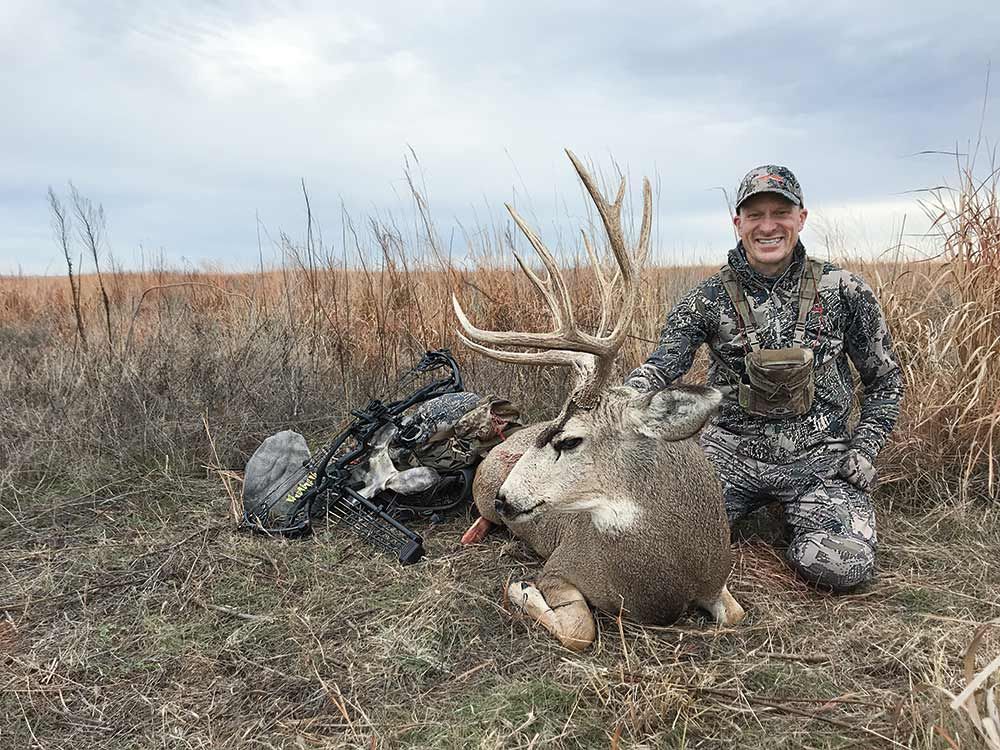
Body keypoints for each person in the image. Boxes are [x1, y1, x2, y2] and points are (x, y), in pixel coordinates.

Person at [625, 165, 904, 592]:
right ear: (738, 224)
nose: (768, 226)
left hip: (820, 462)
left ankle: (803, 524)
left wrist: (864, 450)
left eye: (781, 212)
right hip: (727, 456)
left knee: (841, 567)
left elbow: (885, 382)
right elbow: (664, 364)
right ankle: (747, 515)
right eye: (755, 215)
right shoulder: (707, 297)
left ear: (801, 218)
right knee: (652, 548)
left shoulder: (844, 290)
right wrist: (625, 395)